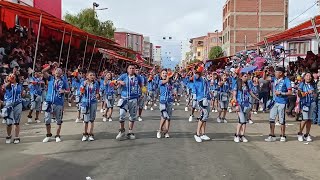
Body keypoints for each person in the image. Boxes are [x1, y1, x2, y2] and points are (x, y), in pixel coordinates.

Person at [42, 63, 68, 143]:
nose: (58, 72)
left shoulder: (64, 81)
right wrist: (51, 66)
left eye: (59, 71)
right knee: (47, 120)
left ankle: (57, 135)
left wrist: (64, 91)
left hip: (58, 102)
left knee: (58, 120)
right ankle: (48, 134)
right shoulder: (50, 78)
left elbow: (68, 90)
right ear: (53, 72)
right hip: (49, 102)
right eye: (56, 70)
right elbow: (43, 71)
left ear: (61, 73)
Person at [116, 64, 143, 140]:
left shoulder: (138, 77)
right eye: (130, 68)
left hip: (134, 99)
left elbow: (142, 86)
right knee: (122, 115)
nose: (131, 69)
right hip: (124, 99)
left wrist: (143, 93)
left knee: (132, 116)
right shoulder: (123, 76)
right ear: (127, 69)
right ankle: (121, 131)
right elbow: (114, 82)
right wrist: (119, 82)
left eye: (133, 68)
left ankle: (130, 132)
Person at [265, 67, 292, 142]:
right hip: (274, 102)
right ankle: (272, 135)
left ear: (281, 73)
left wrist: (281, 93)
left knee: (281, 120)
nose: (275, 73)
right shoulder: (275, 79)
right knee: (271, 119)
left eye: (276, 72)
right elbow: (265, 78)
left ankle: (283, 135)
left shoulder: (286, 80)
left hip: (282, 102)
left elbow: (290, 92)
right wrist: (265, 71)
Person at [233, 73, 259, 143]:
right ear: (241, 77)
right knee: (241, 120)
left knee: (244, 121)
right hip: (239, 104)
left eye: (247, 76)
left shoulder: (247, 84)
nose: (246, 77)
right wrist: (236, 104)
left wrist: (257, 98)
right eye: (245, 76)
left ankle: (242, 135)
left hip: (246, 104)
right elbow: (234, 95)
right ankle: (236, 135)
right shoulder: (237, 84)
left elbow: (250, 93)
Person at [3, 73, 23, 144]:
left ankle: (16, 137)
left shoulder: (19, 85)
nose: (12, 77)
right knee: (9, 122)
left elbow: (21, 93)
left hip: (18, 103)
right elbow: (5, 87)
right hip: (9, 104)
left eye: (13, 76)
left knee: (16, 122)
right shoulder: (7, 84)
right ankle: (8, 135)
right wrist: (9, 80)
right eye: (10, 76)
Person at [192, 68, 211, 143]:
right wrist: (197, 71)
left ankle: (203, 134)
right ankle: (197, 134)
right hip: (201, 98)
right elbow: (196, 76)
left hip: (206, 98)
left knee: (206, 116)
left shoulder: (204, 78)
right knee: (203, 115)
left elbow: (207, 88)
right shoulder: (197, 78)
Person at [80, 71, 99, 141]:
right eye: (91, 75)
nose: (92, 76)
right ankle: (85, 134)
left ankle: (91, 134)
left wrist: (97, 95)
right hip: (85, 103)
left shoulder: (96, 83)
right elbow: (81, 92)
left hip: (93, 102)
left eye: (93, 75)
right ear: (87, 76)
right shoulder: (83, 82)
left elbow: (97, 92)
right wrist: (84, 86)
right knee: (85, 120)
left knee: (92, 119)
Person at [297, 72, 315, 142]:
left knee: (309, 119)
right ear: (304, 77)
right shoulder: (302, 84)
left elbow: (315, 92)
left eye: (310, 76)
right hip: (305, 103)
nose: (309, 77)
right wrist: (307, 92)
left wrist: (314, 94)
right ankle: (300, 133)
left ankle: (307, 134)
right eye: (307, 76)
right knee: (305, 119)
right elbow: (299, 94)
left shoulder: (313, 84)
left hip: (312, 103)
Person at [157, 69, 174, 139]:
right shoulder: (160, 81)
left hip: (169, 101)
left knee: (168, 118)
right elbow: (166, 80)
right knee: (164, 116)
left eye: (166, 73)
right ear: (161, 75)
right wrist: (169, 76)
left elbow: (172, 89)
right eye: (163, 73)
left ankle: (166, 132)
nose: (165, 74)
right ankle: (159, 130)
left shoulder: (170, 83)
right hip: (163, 101)